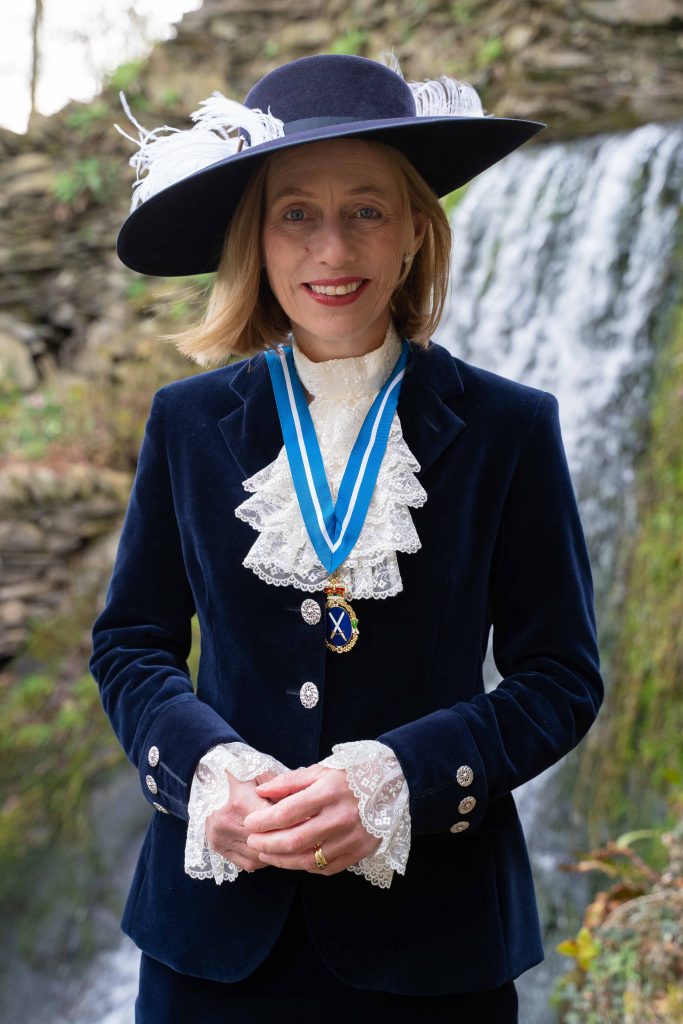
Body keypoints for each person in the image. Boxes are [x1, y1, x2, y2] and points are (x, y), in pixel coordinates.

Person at [90, 52, 604, 1023]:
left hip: (433, 949)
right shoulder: (185, 421)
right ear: (256, 236)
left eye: (365, 208)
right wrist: (206, 770)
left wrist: (401, 777)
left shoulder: (509, 427)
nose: (332, 247)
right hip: (212, 945)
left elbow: (561, 676)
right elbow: (130, 645)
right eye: (296, 213)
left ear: (413, 228)